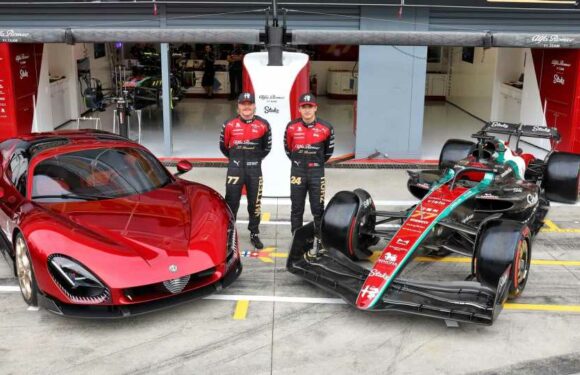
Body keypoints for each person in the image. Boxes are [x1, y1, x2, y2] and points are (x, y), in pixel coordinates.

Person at [220, 92, 272, 249]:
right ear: (238, 107)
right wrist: (236, 160)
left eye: (250, 104)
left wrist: (253, 160)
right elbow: (224, 147)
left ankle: (254, 233)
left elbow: (266, 148)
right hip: (235, 168)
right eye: (243, 104)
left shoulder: (264, 125)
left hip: (254, 169)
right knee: (231, 203)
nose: (247, 107)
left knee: (254, 203)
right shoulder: (228, 124)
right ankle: (229, 234)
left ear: (254, 106)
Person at [284, 93, 334, 237]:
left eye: (310, 107)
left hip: (317, 172)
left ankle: (319, 239)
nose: (307, 110)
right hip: (297, 171)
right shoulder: (291, 127)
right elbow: (288, 149)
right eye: (303, 107)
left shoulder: (326, 128)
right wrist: (299, 162)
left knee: (318, 208)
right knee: (296, 207)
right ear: (299, 109)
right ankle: (296, 237)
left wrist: (316, 163)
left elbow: (328, 153)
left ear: (315, 108)